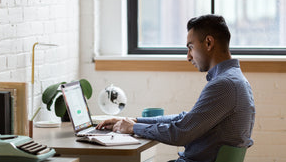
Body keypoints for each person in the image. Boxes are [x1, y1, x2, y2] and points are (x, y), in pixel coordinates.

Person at [96, 14, 255, 162]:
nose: (188, 56)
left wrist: (134, 128)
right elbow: (186, 119)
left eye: (190, 47)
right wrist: (134, 121)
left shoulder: (225, 85)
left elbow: (181, 133)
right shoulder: (233, 80)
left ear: (208, 43)